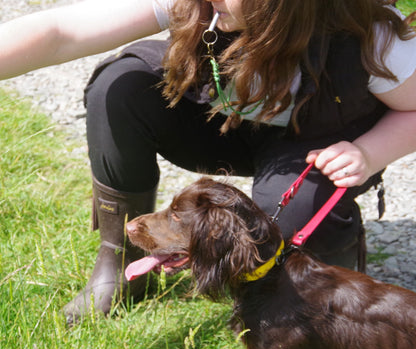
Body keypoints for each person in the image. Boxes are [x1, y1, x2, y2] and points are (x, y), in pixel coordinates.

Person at [1, 0, 416, 324]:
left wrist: (369, 152)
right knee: (118, 88)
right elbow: (60, 33)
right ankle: (124, 265)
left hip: (310, 145)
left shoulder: (370, 33)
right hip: (223, 125)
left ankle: (318, 300)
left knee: (282, 224)